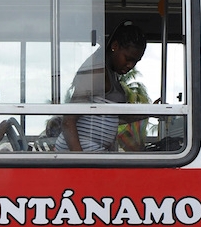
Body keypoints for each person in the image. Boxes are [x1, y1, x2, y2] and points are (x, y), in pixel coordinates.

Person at [55, 21, 147, 152]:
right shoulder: (96, 73)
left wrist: (150, 112)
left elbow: (116, 117)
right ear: (115, 46)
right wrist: (80, 163)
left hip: (93, 151)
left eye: (135, 61)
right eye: (128, 58)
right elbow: (68, 121)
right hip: (80, 151)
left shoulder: (112, 74)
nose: (131, 65)